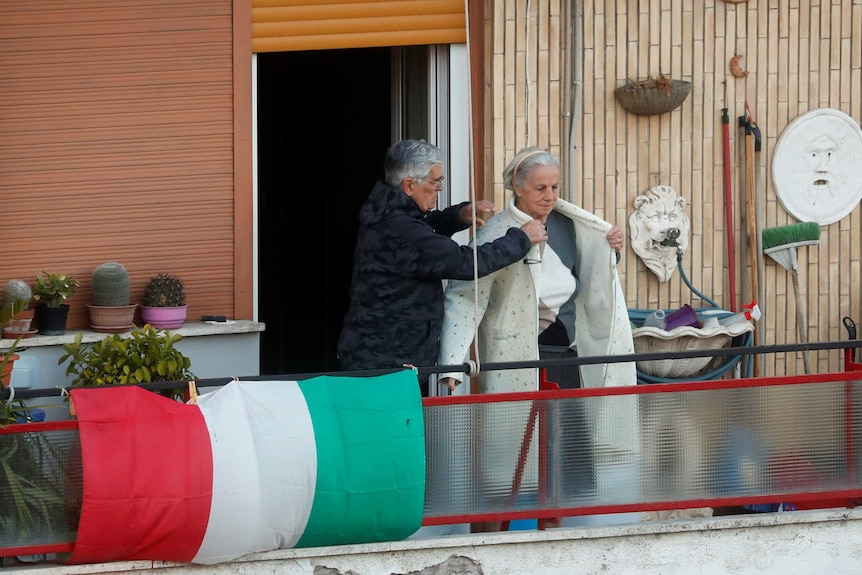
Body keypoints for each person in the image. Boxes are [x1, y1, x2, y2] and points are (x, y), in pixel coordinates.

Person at [437, 147, 636, 528]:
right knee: (517, 456)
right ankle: (510, 531)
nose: (549, 195)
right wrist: (452, 364)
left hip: (568, 352)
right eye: (540, 187)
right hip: (520, 356)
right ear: (516, 185)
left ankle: (567, 531)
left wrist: (610, 249)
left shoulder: (568, 223)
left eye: (554, 187)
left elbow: (592, 272)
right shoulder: (496, 233)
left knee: (569, 454)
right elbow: (464, 298)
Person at [337, 139, 547, 396]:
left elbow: (425, 228)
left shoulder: (383, 210)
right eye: (435, 182)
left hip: (375, 356)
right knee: (392, 435)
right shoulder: (402, 230)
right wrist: (521, 239)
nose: (439, 188)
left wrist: (458, 216)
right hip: (387, 366)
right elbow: (465, 263)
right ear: (410, 185)